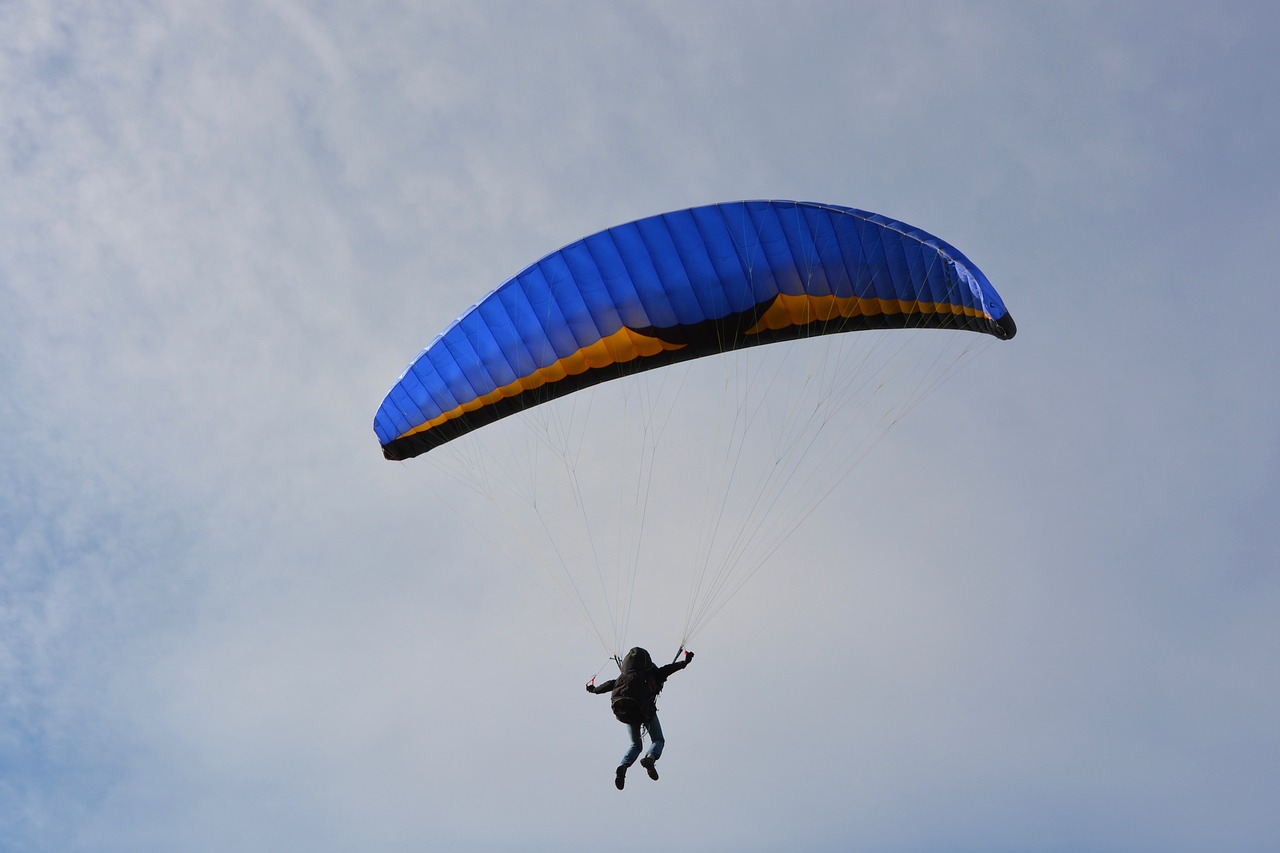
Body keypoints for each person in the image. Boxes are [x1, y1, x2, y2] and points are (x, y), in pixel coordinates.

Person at [585, 646, 694, 789]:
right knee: (658, 739)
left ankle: (623, 766)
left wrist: (594, 690)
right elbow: (669, 669)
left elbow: (607, 685)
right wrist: (684, 662)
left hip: (625, 712)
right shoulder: (653, 675)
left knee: (636, 745)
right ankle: (650, 758)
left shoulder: (621, 678)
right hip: (643, 710)